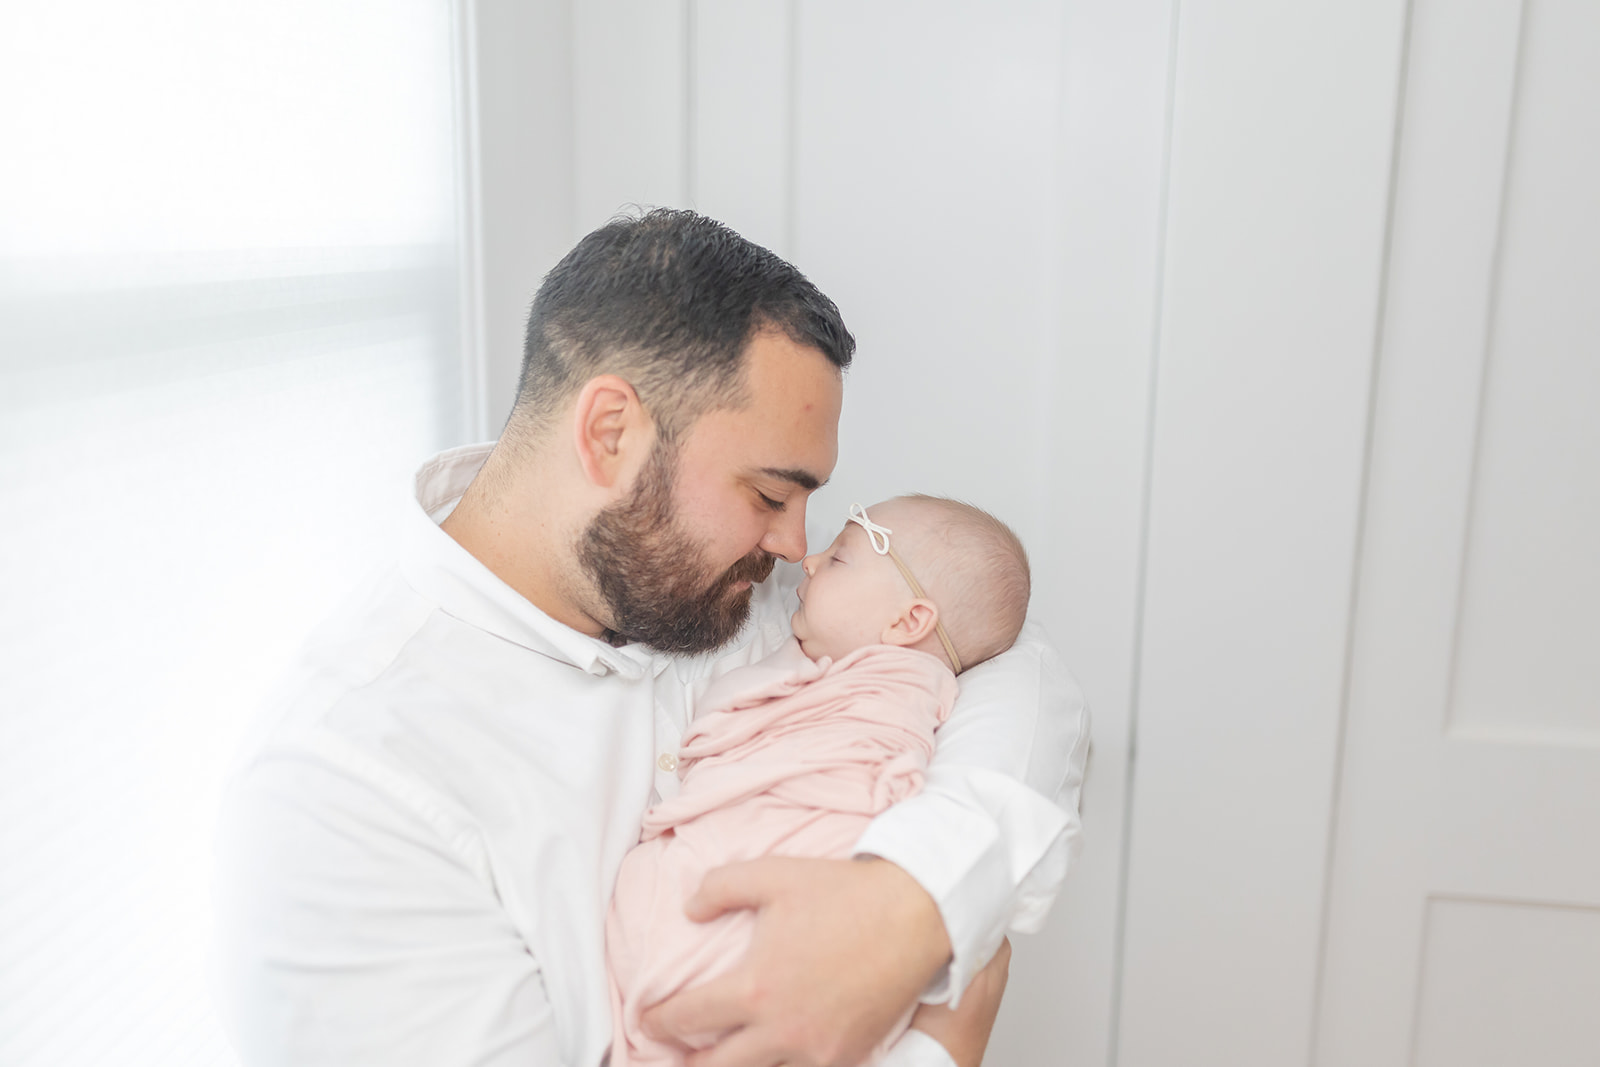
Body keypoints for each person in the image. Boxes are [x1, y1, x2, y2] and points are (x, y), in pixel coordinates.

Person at [213, 209, 1089, 1067]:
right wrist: (938, 1049)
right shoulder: (349, 791)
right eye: (769, 495)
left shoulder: (732, 589)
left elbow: (1015, 667)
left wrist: (915, 898)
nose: (795, 546)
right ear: (610, 434)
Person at [608, 496, 1035, 1066]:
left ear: (909, 621)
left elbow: (734, 729)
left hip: (816, 884)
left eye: (838, 560)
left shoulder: (903, 698)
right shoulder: (817, 657)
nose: (807, 560)